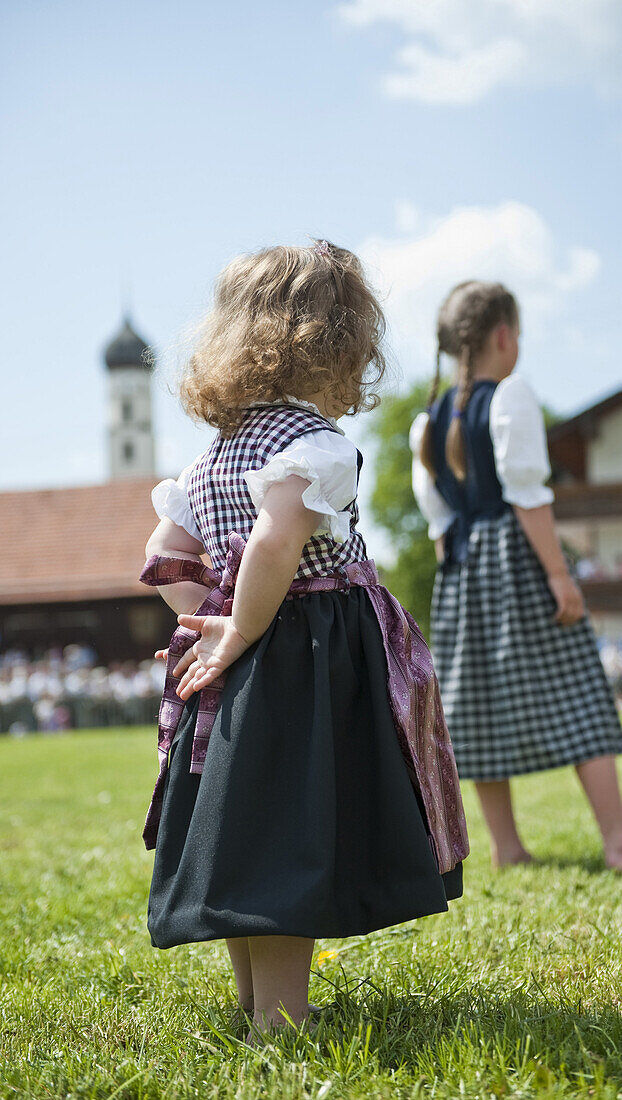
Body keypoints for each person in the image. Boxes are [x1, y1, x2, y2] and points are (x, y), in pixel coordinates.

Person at [141, 242, 468, 1041]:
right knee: (288, 829)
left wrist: (204, 620)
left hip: (246, 658)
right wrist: (243, 624)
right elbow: (275, 544)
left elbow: (161, 558)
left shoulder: (213, 455)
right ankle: (281, 1024)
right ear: (339, 344)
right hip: (306, 659)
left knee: (247, 828)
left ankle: (258, 1003)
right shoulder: (312, 446)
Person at [410, 280, 622, 872]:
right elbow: (529, 498)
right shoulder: (511, 396)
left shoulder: (425, 425)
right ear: (504, 335)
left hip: (461, 573)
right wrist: (561, 579)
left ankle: (507, 847)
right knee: (581, 687)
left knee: (475, 701)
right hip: (517, 558)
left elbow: (439, 523)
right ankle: (618, 842)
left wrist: (462, 597)